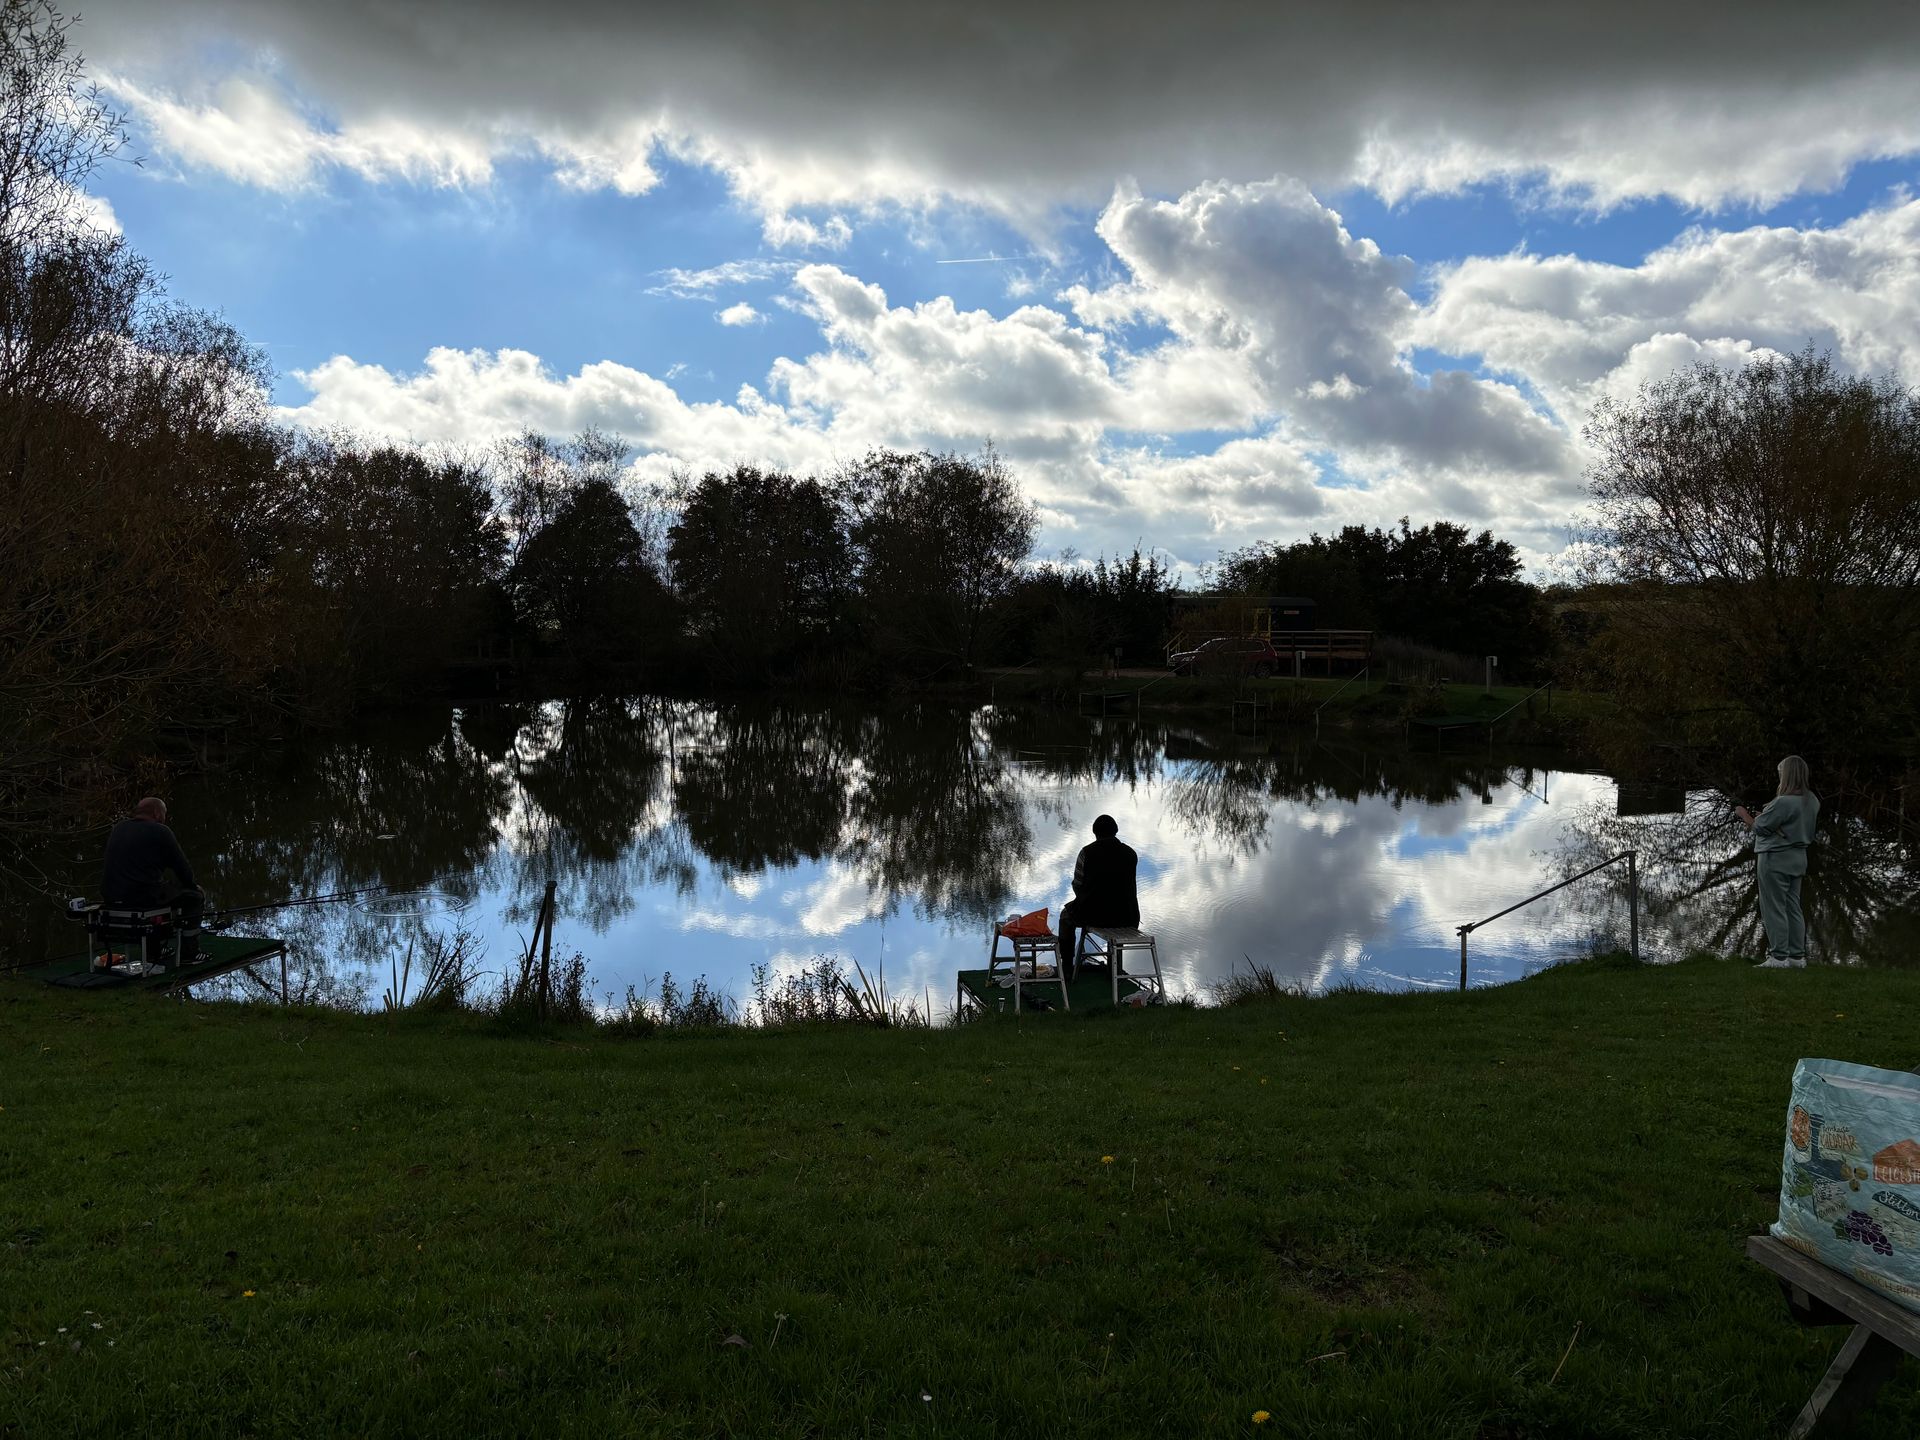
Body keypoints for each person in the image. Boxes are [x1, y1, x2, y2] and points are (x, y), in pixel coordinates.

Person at [1735, 756, 1820, 969]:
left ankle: (1778, 957)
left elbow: (1760, 828)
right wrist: (1765, 817)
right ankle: (1797, 957)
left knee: (1773, 907)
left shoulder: (1783, 802)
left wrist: (1744, 815)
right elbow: (1787, 824)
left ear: (1787, 775)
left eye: (1781, 773)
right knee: (1793, 906)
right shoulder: (1812, 801)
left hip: (1774, 859)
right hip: (1799, 858)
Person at [1056, 814, 1139, 979]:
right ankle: (1116, 968)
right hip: (1127, 917)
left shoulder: (1086, 853)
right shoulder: (1131, 854)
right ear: (1116, 831)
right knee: (1114, 916)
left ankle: (1066, 966)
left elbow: (1077, 884)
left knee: (1065, 917)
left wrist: (1084, 898)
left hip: (1094, 915)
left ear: (1095, 833)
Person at [102, 796, 199, 910]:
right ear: (157, 813)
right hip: (143, 897)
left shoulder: (119, 828)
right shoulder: (161, 831)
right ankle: (189, 928)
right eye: (164, 814)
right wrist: (193, 886)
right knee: (195, 895)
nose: (164, 818)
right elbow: (183, 870)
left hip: (111, 896)